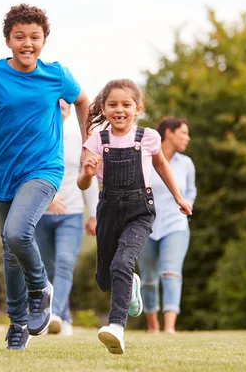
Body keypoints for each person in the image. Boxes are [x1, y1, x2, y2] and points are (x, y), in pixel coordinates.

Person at [0, 4, 90, 350]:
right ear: (8, 41)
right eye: (20, 37)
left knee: (18, 232)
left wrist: (89, 143)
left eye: (35, 36)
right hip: (4, 174)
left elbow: (83, 101)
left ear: (44, 40)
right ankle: (17, 324)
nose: (27, 43)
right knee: (10, 249)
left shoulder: (57, 75)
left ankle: (41, 287)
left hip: (44, 170)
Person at [77, 79, 192, 355]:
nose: (120, 110)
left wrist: (178, 197)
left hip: (140, 210)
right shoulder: (96, 140)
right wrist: (88, 174)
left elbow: (162, 166)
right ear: (103, 109)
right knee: (104, 278)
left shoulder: (148, 137)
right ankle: (133, 283)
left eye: (126, 104)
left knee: (122, 262)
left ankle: (116, 327)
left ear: (137, 108)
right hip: (108, 209)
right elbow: (82, 183)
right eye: (113, 104)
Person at [35, 99, 99, 336]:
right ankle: (66, 319)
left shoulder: (78, 141)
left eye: (64, 106)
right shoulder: (36, 138)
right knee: (47, 269)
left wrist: (93, 213)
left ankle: (55, 315)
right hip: (40, 214)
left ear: (70, 110)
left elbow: (89, 177)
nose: (60, 109)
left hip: (71, 214)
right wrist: (47, 199)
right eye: (55, 105)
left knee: (64, 264)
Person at [137, 118, 196, 335]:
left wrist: (188, 204)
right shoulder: (144, 158)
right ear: (169, 133)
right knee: (149, 278)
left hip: (176, 224)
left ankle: (170, 328)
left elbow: (191, 191)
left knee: (171, 272)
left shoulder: (186, 163)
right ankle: (153, 326)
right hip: (146, 225)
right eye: (183, 133)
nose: (187, 138)